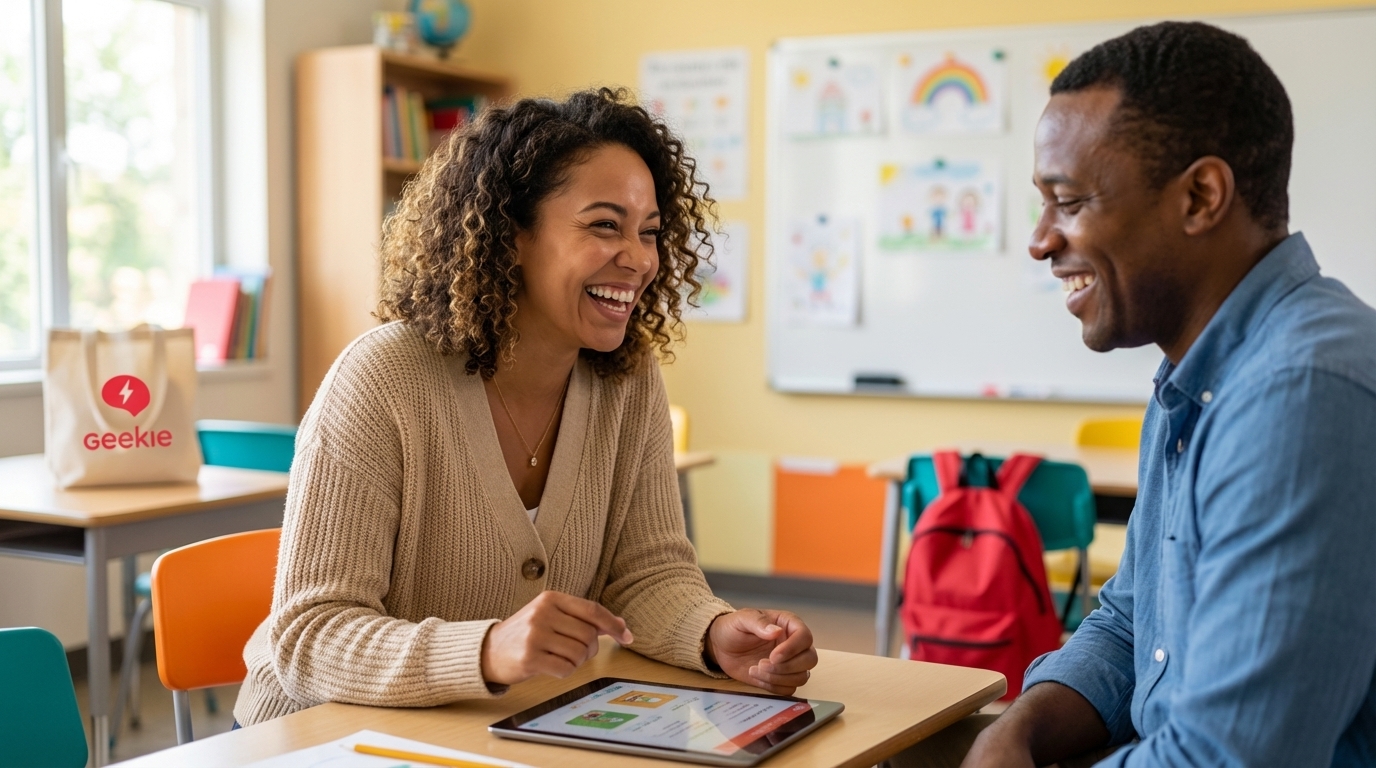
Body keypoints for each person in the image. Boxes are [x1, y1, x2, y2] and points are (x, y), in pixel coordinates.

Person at [232, 88, 818, 727]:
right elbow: (310, 634)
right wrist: (486, 650)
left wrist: (712, 631)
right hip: (316, 734)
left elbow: (645, 574)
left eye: (649, 232)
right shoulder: (382, 378)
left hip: (493, 730)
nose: (640, 258)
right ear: (510, 235)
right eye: (605, 225)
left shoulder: (627, 378)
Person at [893, 21, 1376, 768]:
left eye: (1068, 201)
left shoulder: (1299, 393)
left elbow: (1231, 756)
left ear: (1200, 197)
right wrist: (1016, 731)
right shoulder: (1197, 374)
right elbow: (1130, 625)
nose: (1040, 240)